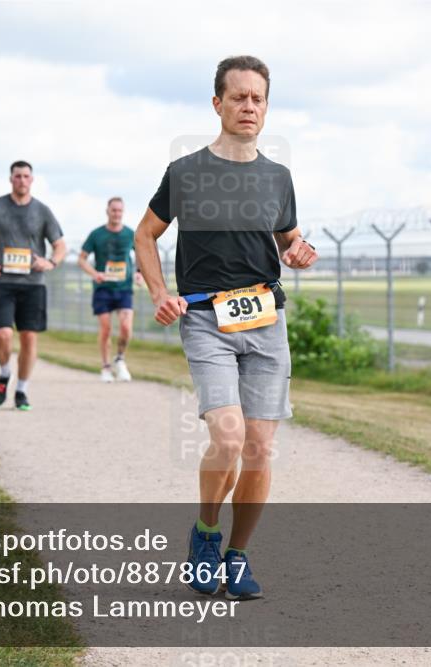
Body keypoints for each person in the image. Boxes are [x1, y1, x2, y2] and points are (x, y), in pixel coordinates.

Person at [135, 56, 317, 601]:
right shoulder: (186, 172)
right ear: (217, 104)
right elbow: (145, 236)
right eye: (237, 97)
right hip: (207, 320)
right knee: (230, 436)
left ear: (266, 107)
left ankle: (237, 556)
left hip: (266, 320)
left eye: (257, 98)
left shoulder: (278, 177)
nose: (248, 106)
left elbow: (289, 241)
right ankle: (206, 533)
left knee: (260, 448)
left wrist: (300, 252)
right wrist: (160, 293)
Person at [0, 160, 66, 411]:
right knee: (3, 334)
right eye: (17, 176)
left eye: (26, 176)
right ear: (10, 179)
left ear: (32, 180)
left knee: (29, 338)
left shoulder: (42, 211)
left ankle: (21, 390)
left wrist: (51, 262)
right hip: (1, 280)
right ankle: (4, 373)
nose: (22, 180)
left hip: (33, 284)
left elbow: (60, 245)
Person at [78, 197, 139, 382]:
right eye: (114, 210)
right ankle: (105, 367)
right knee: (105, 329)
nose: (117, 214)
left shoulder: (130, 234)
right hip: (103, 288)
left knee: (126, 328)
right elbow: (81, 259)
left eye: (120, 211)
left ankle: (119, 359)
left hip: (124, 287)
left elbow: (143, 254)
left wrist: (139, 272)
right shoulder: (96, 234)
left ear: (123, 212)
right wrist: (94, 273)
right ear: (107, 211)